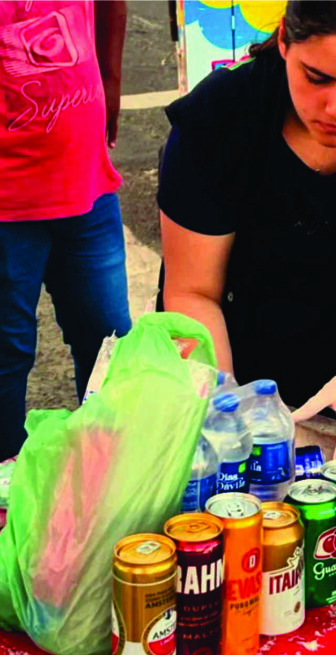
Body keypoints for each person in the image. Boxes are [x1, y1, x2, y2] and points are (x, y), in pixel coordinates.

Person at [157, 0, 336, 461]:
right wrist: (225, 406)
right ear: (283, 41)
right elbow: (194, 290)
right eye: (317, 78)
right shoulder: (218, 119)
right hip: (239, 366)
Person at [0, 0, 130, 461]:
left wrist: (110, 77)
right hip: (8, 207)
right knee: (7, 353)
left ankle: (107, 482)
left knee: (109, 345)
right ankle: (8, 495)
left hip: (86, 187)